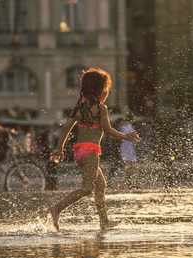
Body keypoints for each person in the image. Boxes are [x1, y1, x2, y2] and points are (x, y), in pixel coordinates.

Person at [48, 68, 139, 231]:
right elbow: (108, 130)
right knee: (86, 189)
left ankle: (104, 221)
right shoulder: (101, 108)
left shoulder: (79, 109)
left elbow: (65, 130)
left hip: (80, 152)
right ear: (100, 89)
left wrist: (59, 150)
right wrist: (127, 136)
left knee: (101, 185)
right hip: (91, 152)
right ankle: (57, 208)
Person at [119, 113, 140, 190]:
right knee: (134, 166)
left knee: (126, 167)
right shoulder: (131, 127)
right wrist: (138, 143)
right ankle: (136, 183)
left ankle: (122, 184)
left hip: (124, 146)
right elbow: (134, 137)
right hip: (130, 147)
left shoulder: (122, 126)